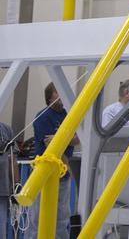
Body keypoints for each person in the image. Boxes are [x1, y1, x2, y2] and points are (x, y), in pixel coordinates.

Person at [30, 83, 75, 239]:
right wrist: (67, 165)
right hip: (45, 173)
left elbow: (78, 138)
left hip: (63, 175)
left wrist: (59, 138)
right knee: (39, 216)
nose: (62, 95)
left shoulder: (68, 115)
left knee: (62, 216)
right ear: (50, 96)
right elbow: (51, 147)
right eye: (58, 92)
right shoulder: (43, 116)